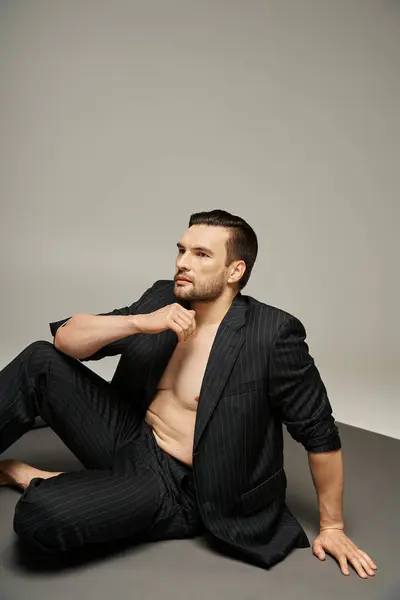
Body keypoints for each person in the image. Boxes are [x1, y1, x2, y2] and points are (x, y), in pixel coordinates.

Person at [0, 209, 376, 578]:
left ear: (235, 271)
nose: (183, 262)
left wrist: (332, 527)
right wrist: (139, 323)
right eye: (181, 250)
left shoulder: (272, 334)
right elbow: (65, 339)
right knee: (39, 361)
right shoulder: (162, 298)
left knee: (41, 515)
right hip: (129, 435)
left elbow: (319, 431)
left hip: (178, 483)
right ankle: (96, 483)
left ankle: (40, 479)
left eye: (201, 254)